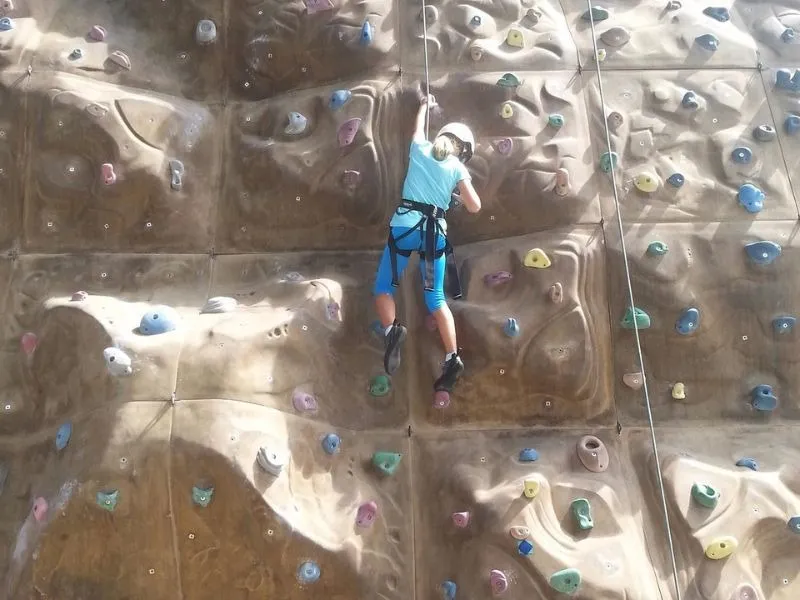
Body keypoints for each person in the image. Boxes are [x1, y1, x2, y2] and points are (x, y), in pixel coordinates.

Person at [372, 93, 482, 393]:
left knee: (384, 288)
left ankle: (392, 329)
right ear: (464, 150)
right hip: (434, 235)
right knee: (435, 299)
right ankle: (452, 357)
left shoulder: (420, 149)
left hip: (405, 228)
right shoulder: (458, 168)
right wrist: (453, 196)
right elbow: (475, 207)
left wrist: (424, 105)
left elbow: (417, 130)